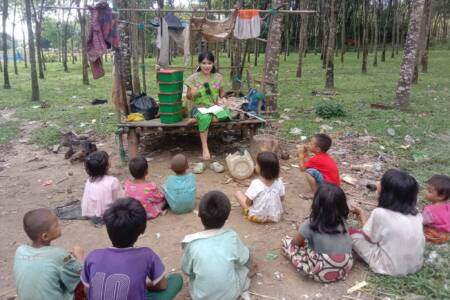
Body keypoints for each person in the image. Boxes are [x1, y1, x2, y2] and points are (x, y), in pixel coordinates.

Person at [81, 197, 183, 300]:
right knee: (176, 279)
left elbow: (86, 291)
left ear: (108, 227)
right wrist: (144, 285)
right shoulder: (146, 255)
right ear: (142, 230)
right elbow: (162, 286)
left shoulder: (93, 256)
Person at [181, 191, 256, 300]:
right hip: (231, 295)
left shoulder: (192, 244)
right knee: (247, 254)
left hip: (200, 297)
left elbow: (186, 270)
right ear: (226, 217)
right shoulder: (232, 237)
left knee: (195, 278)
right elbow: (244, 260)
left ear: (199, 215)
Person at [350, 169, 425, 276]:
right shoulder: (417, 214)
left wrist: (362, 214)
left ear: (387, 192)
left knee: (351, 233)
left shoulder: (380, 213)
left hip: (389, 268)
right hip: (415, 266)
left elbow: (370, 238)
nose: (378, 183)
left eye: (381, 181)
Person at [281, 183, 353, 283]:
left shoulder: (310, 224)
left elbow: (295, 243)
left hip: (323, 270)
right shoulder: (342, 221)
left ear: (316, 204)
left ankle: (310, 266)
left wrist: (301, 230)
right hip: (345, 266)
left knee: (287, 244)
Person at [14, 208, 84, 300]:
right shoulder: (58, 254)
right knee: (84, 282)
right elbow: (80, 273)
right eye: (56, 225)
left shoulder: (20, 250)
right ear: (45, 236)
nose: (60, 224)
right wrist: (79, 257)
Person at [185, 51, 232, 161]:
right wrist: (193, 93)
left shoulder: (218, 77)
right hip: (198, 108)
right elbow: (188, 97)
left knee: (226, 115)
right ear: (199, 64)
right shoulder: (192, 78)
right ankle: (205, 147)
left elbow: (222, 93)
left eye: (209, 63)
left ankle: (194, 121)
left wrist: (224, 100)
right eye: (204, 63)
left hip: (213, 107)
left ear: (213, 64)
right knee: (205, 117)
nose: (207, 66)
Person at [235, 151, 285, 223]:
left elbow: (248, 203)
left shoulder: (256, 184)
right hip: (275, 216)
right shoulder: (279, 182)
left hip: (256, 217)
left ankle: (247, 213)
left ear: (262, 169)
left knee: (238, 193)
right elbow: (282, 198)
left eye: (257, 164)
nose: (255, 166)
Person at [81, 151, 123, 218]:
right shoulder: (113, 181)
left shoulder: (89, 181)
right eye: (108, 159)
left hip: (90, 212)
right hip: (107, 214)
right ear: (107, 166)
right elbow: (120, 200)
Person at [422, 174, 450, 244]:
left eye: (429, 191)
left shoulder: (430, 210)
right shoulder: (448, 205)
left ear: (441, 196)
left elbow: (421, 221)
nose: (425, 192)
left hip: (433, 237)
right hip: (445, 235)